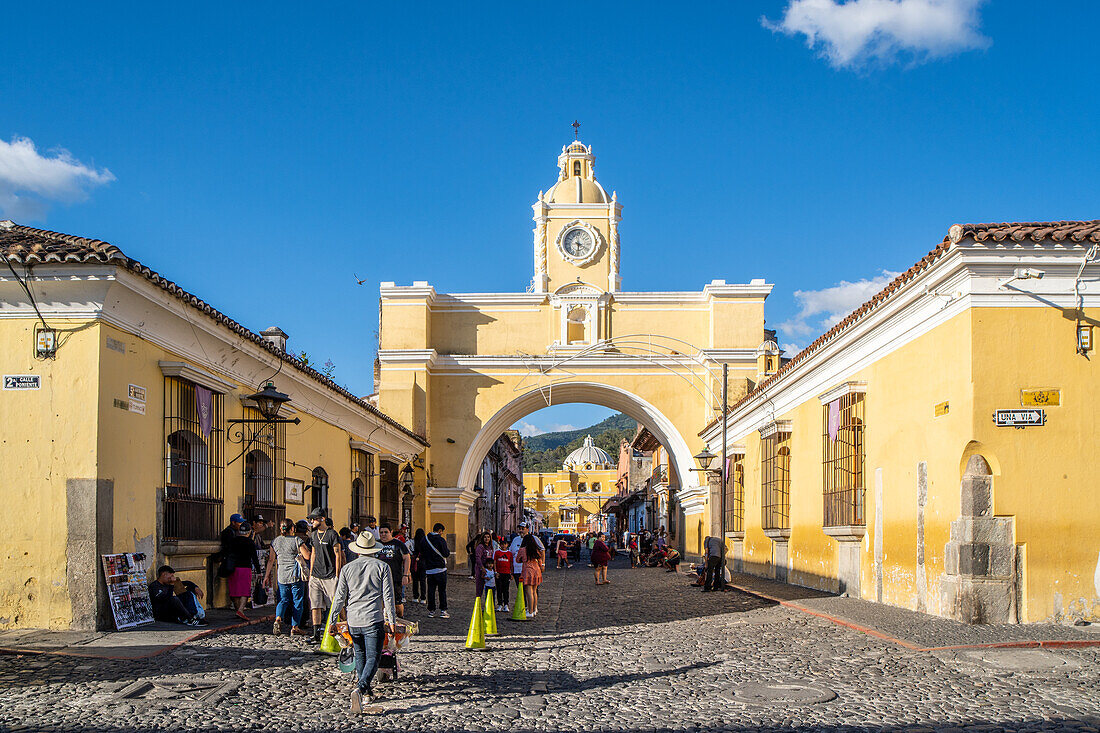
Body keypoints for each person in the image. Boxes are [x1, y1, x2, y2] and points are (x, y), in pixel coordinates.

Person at [330, 532, 397, 713]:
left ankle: (366, 693)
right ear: (374, 550)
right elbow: (388, 597)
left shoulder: (347, 569)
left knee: (360, 654)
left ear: (358, 550)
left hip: (354, 620)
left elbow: (339, 597)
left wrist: (332, 620)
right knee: (373, 657)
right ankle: (361, 688)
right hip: (373, 619)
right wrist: (392, 621)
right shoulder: (382, 567)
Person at [264, 518, 309, 636]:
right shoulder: (296, 540)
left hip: (282, 575)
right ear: (292, 528)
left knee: (283, 600)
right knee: (297, 601)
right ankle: (295, 627)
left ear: (280, 528)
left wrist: (266, 576)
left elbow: (271, 560)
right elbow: (307, 556)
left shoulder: (275, 541)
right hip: (295, 575)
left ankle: (278, 618)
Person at [307, 508, 345, 643]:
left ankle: (345, 629)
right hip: (316, 575)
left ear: (322, 519)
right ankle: (316, 634)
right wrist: (311, 574)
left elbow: (338, 554)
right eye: (311, 519)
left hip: (330, 575)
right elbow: (313, 554)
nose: (312, 521)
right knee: (315, 605)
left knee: (337, 605)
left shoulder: (332, 534)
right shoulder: (313, 535)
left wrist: (337, 574)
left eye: (314, 519)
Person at [227, 522, 261, 620]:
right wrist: (258, 571)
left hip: (233, 568)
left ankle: (238, 610)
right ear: (249, 531)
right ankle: (241, 610)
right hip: (245, 568)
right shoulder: (250, 542)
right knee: (244, 591)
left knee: (235, 591)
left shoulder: (233, 541)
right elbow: (254, 558)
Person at [376, 523, 411, 617]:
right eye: (381, 532)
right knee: (381, 601)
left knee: (397, 602)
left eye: (386, 532)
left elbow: (407, 558)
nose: (383, 534)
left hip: (395, 578)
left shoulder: (398, 544)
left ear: (391, 532)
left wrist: (406, 574)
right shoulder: (376, 544)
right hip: (379, 578)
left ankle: (400, 618)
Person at [417, 522, 450, 618]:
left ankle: (431, 610)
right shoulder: (441, 540)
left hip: (429, 569)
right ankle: (443, 610)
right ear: (440, 531)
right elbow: (446, 553)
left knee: (431, 590)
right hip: (440, 569)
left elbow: (422, 552)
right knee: (442, 590)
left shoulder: (424, 540)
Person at [517, 530, 543, 618]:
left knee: (529, 592)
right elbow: (540, 561)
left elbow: (517, 559)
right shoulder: (536, 550)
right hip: (536, 570)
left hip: (528, 570)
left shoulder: (522, 550)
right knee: (534, 591)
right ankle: (534, 609)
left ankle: (530, 610)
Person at [493, 538, 514, 612]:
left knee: (506, 589)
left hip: (507, 573)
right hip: (499, 573)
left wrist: (512, 573)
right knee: (499, 589)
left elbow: (511, 564)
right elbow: (494, 562)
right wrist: (495, 572)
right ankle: (500, 604)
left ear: (507, 545)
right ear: (500, 545)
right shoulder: (497, 552)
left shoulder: (509, 553)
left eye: (505, 544)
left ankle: (506, 604)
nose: (503, 546)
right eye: (502, 544)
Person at [473, 531, 495, 600]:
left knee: (489, 586)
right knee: (479, 587)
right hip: (481, 568)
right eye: (485, 537)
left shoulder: (490, 547)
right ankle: (478, 603)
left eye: (488, 537)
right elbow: (477, 558)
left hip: (489, 568)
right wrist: (482, 567)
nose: (487, 538)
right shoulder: (480, 547)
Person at [410, 528, 427, 605]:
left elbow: (406, 546)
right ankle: (423, 598)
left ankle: (415, 597)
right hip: (423, 562)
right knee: (423, 581)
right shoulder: (425, 542)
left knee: (415, 581)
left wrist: (411, 554)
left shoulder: (413, 541)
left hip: (414, 562)